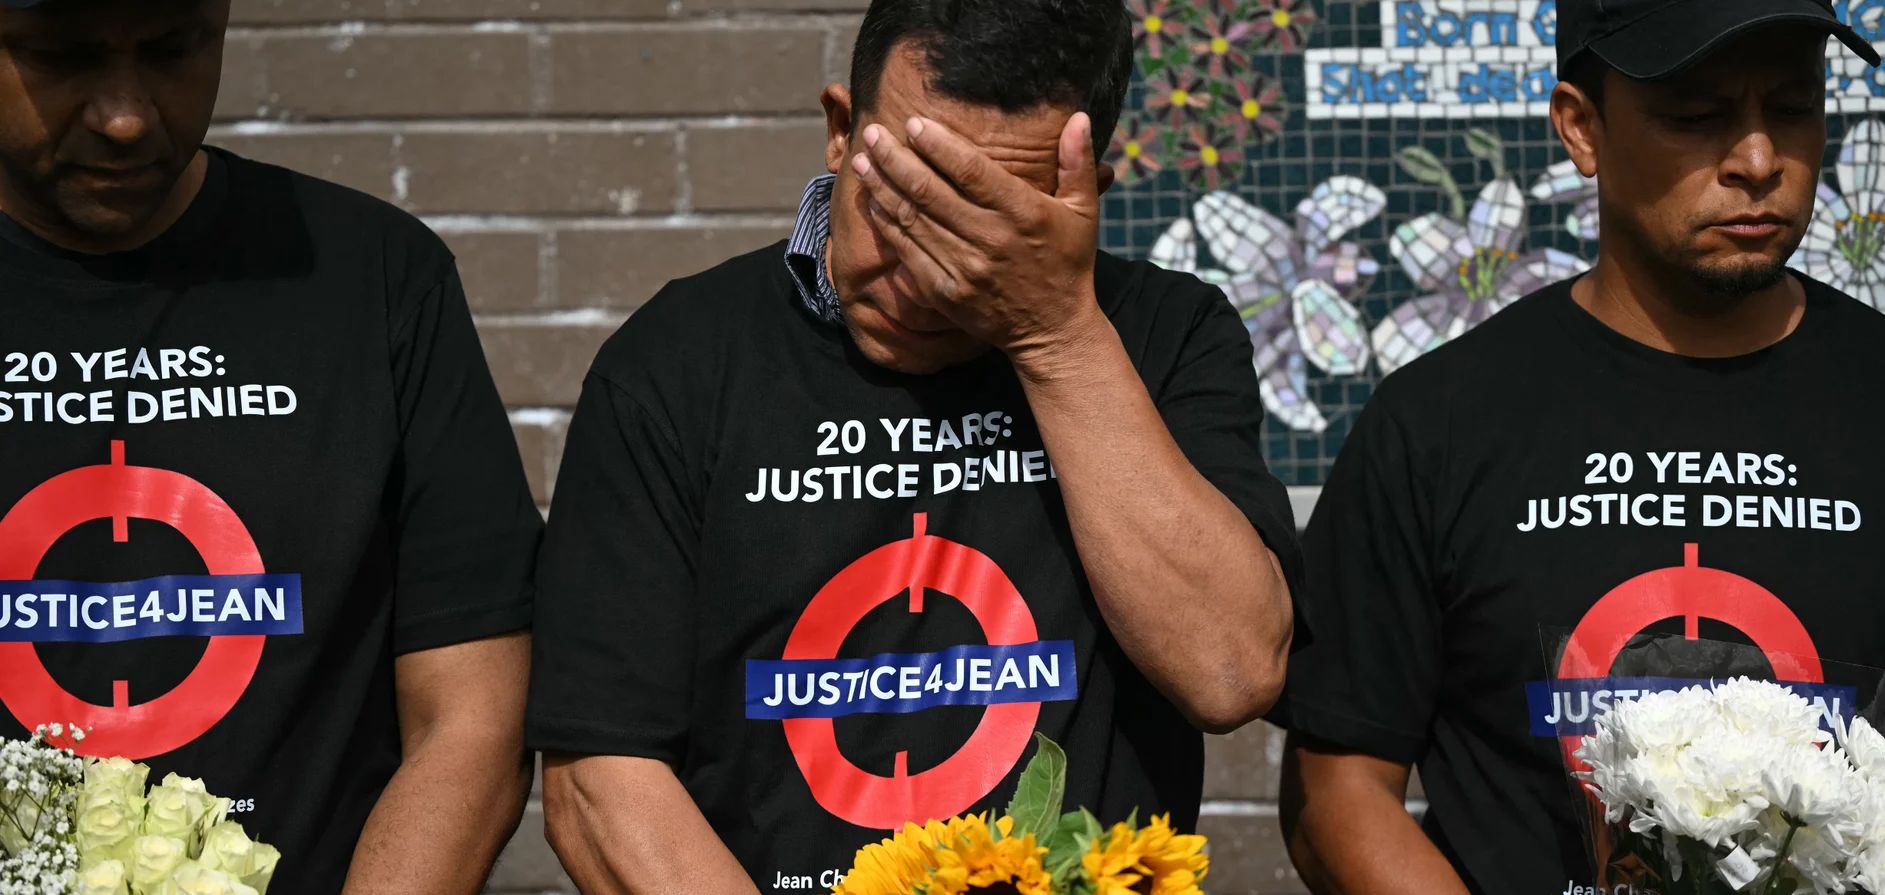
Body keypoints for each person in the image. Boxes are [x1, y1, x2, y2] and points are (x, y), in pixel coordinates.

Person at [526, 0, 1301, 889]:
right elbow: (598, 781)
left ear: (1080, 200)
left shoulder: (1165, 335)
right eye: (900, 206)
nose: (927, 281)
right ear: (840, 130)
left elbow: (1231, 672)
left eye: (980, 227)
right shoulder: (676, 361)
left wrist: (1056, 334)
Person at [1275, 0, 1885, 892]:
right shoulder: (1438, 422)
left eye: (1795, 108)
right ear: (1582, 129)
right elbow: (1338, 790)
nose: (1759, 160)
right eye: (1695, 117)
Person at [0, 0, 543, 891]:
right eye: (63, 59)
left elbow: (473, 716)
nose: (126, 115)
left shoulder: (373, 276)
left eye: (176, 47)